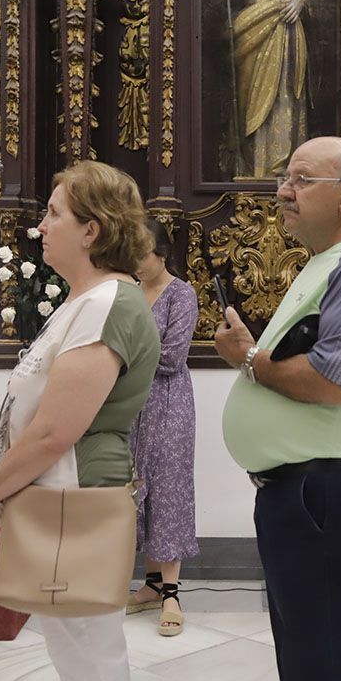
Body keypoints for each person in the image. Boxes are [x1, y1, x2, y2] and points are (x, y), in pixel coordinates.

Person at [214, 136, 341, 681]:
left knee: (322, 660)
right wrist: (255, 355)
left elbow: (332, 383)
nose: (283, 192)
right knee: (307, 656)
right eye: (286, 179)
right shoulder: (328, 263)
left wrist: (249, 358)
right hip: (305, 490)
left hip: (325, 490)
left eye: (301, 180)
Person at [0, 160, 159, 681]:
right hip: (56, 491)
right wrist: (3, 485)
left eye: (54, 214)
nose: (41, 226)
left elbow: (56, 431)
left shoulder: (107, 302)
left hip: (76, 493)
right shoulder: (85, 300)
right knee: (74, 649)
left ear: (91, 229)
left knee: (89, 652)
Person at [126, 218, 200, 637]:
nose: (135, 262)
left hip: (169, 404)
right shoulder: (131, 293)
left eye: (142, 254)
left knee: (168, 487)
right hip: (132, 403)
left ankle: (172, 591)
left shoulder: (181, 293)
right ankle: (152, 585)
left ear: (161, 254)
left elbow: (171, 356)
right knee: (137, 488)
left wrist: (125, 356)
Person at [216, 0, 313, 177]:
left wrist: (299, 1)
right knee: (250, 105)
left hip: (283, 41)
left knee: (282, 101)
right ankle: (251, 169)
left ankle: (280, 168)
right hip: (251, 40)